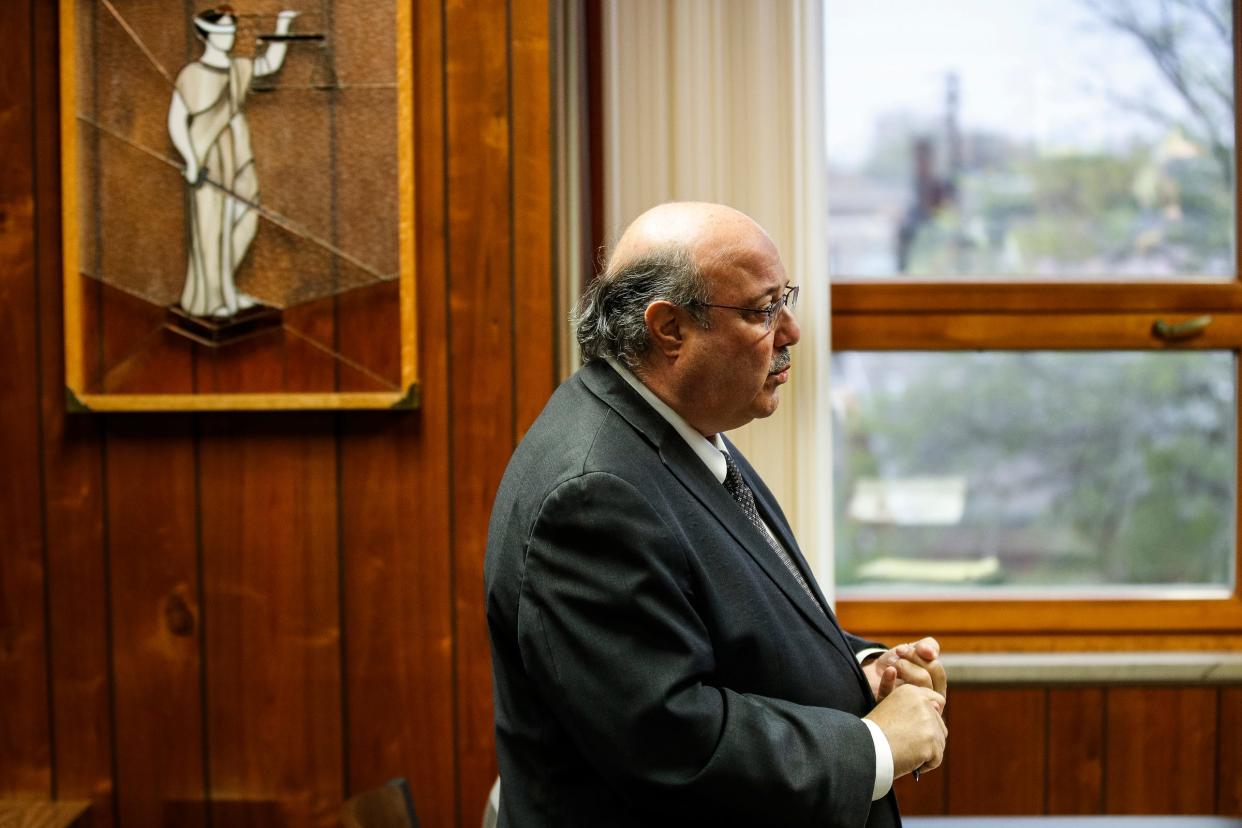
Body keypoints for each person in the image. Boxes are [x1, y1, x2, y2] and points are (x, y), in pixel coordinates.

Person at [485, 202, 948, 827]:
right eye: (762, 311)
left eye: (786, 299)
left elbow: (740, 630)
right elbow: (668, 741)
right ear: (670, 329)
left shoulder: (673, 431)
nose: (791, 331)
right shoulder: (593, 494)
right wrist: (875, 747)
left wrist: (864, 671)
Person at [167, 6, 297, 318]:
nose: (229, 37)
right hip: (209, 160)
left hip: (238, 157)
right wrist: (191, 160)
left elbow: (270, 62)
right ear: (206, 34)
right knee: (213, 228)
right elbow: (176, 121)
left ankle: (226, 287)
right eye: (222, 31)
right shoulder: (192, 75)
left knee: (246, 218)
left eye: (232, 30)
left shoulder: (239, 68)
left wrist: (282, 25)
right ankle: (211, 300)